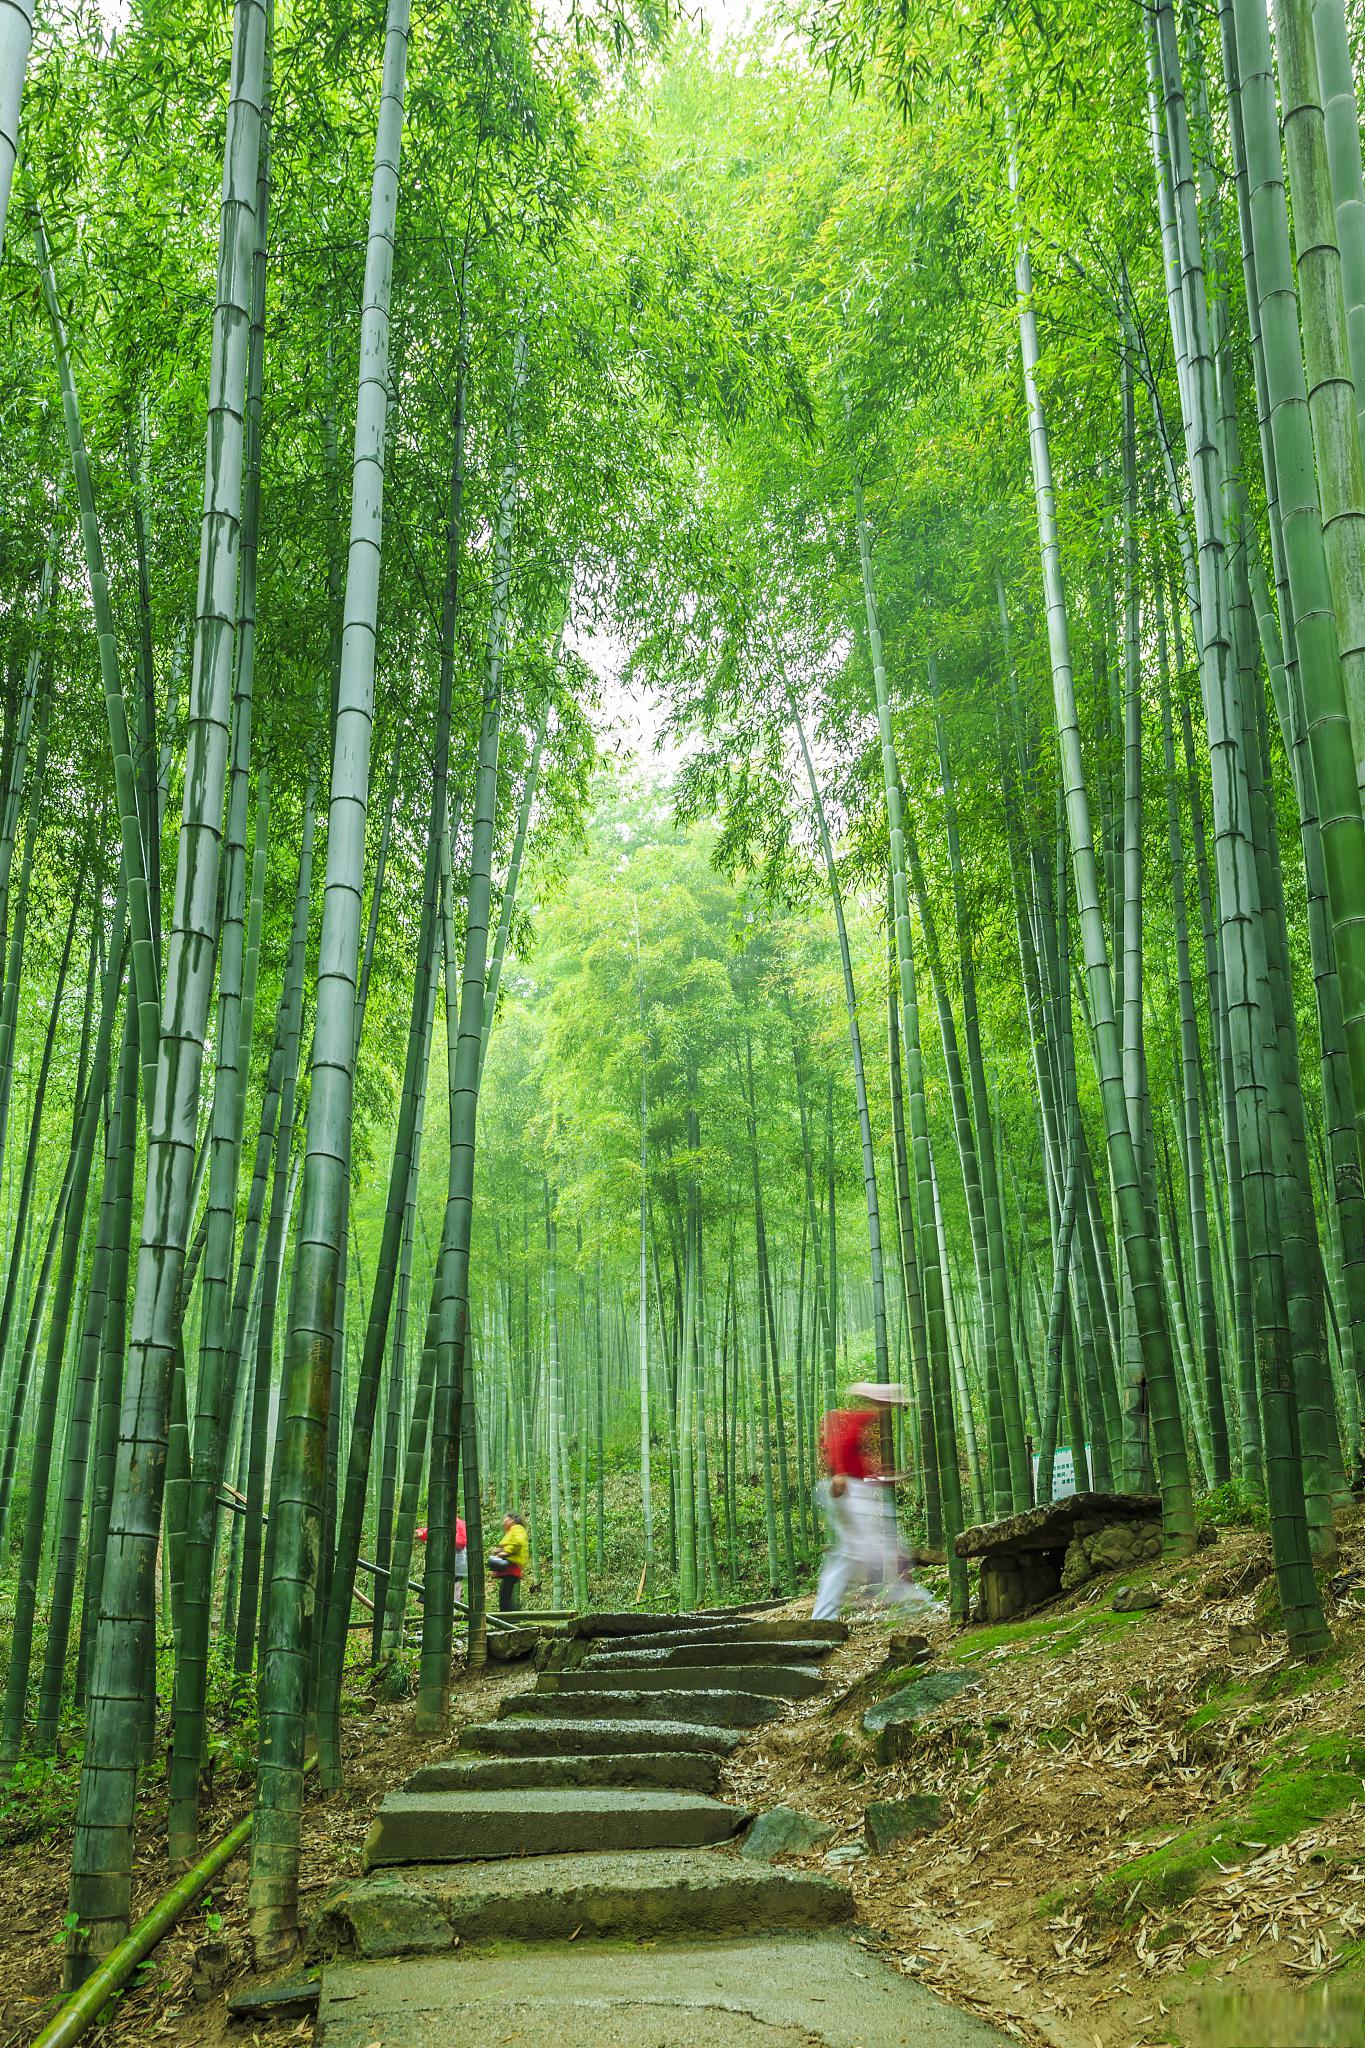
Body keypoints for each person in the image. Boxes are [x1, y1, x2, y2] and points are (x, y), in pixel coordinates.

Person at [812, 1383, 942, 1622]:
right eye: (887, 1403)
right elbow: (838, 1445)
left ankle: (824, 1616)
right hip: (848, 1491)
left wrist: (884, 1477)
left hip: (851, 1489)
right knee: (876, 1545)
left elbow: (854, 1460)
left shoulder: (857, 1421)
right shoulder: (850, 1419)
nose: (889, 1408)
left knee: (853, 1552)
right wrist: (840, 1472)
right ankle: (904, 1593)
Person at [488, 1510, 528, 1612]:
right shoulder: (512, 1530)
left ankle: (510, 1617)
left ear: (512, 1520)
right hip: (509, 1566)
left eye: (506, 1519)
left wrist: (505, 1552)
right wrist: (500, 1550)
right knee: (505, 1593)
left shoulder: (517, 1528)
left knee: (505, 1593)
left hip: (512, 1566)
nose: (504, 1521)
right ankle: (510, 1616)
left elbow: (517, 1543)